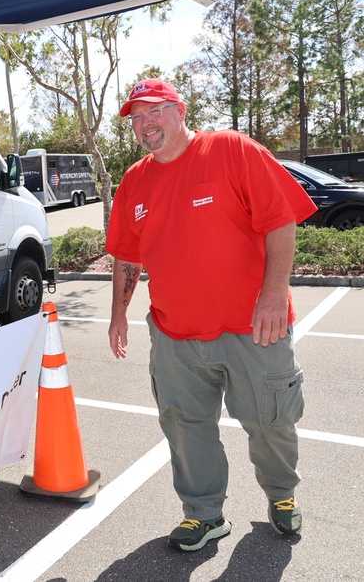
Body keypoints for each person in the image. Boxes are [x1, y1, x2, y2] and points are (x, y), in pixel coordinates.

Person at [106, 79, 317, 552]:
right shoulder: (135, 180)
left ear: (179, 110)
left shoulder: (230, 149)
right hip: (175, 331)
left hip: (253, 326)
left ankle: (281, 496)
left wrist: (272, 294)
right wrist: (118, 313)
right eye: (136, 118)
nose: (145, 124)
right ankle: (204, 515)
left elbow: (279, 220)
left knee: (270, 420)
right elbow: (127, 254)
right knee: (184, 425)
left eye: (154, 111)